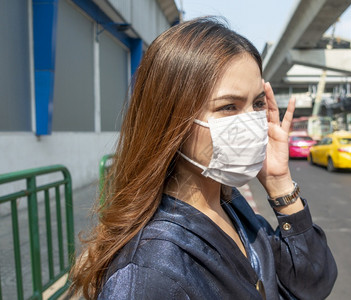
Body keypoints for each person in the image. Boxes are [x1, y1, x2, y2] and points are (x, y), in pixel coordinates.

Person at [70, 17, 337, 300]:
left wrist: (279, 183)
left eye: (257, 103)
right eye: (228, 107)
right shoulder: (151, 272)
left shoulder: (232, 205)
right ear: (172, 119)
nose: (251, 122)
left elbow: (312, 283)